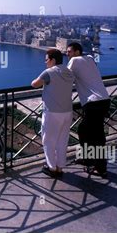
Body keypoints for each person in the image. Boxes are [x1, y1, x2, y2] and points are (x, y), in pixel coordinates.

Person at [67, 42, 110, 178]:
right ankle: (88, 158)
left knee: (95, 136)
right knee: (85, 131)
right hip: (104, 99)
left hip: (93, 102)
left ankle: (100, 168)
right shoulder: (90, 58)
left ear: (77, 52)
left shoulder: (74, 60)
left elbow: (65, 77)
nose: (67, 54)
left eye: (69, 51)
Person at [31, 48, 73, 178]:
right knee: (62, 140)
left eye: (46, 60)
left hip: (53, 112)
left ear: (53, 60)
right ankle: (60, 167)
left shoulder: (49, 72)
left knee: (49, 140)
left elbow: (34, 84)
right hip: (68, 111)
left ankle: (52, 168)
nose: (45, 62)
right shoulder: (69, 72)